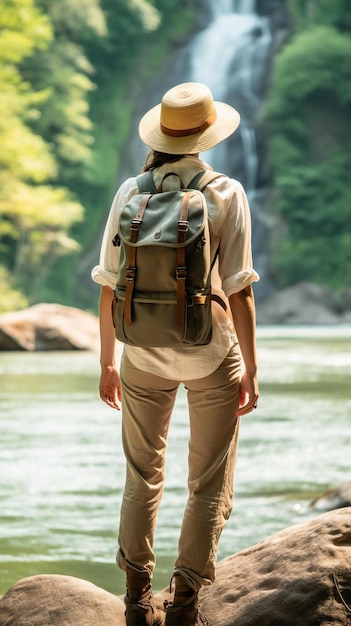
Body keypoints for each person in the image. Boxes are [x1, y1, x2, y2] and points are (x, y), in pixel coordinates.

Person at [91, 82, 259, 626]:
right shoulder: (225, 191)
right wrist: (250, 369)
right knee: (207, 480)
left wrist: (107, 362)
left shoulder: (130, 191)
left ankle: (137, 596)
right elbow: (240, 289)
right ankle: (185, 598)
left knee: (142, 475)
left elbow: (109, 285)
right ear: (207, 135)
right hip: (211, 351)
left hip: (140, 353)